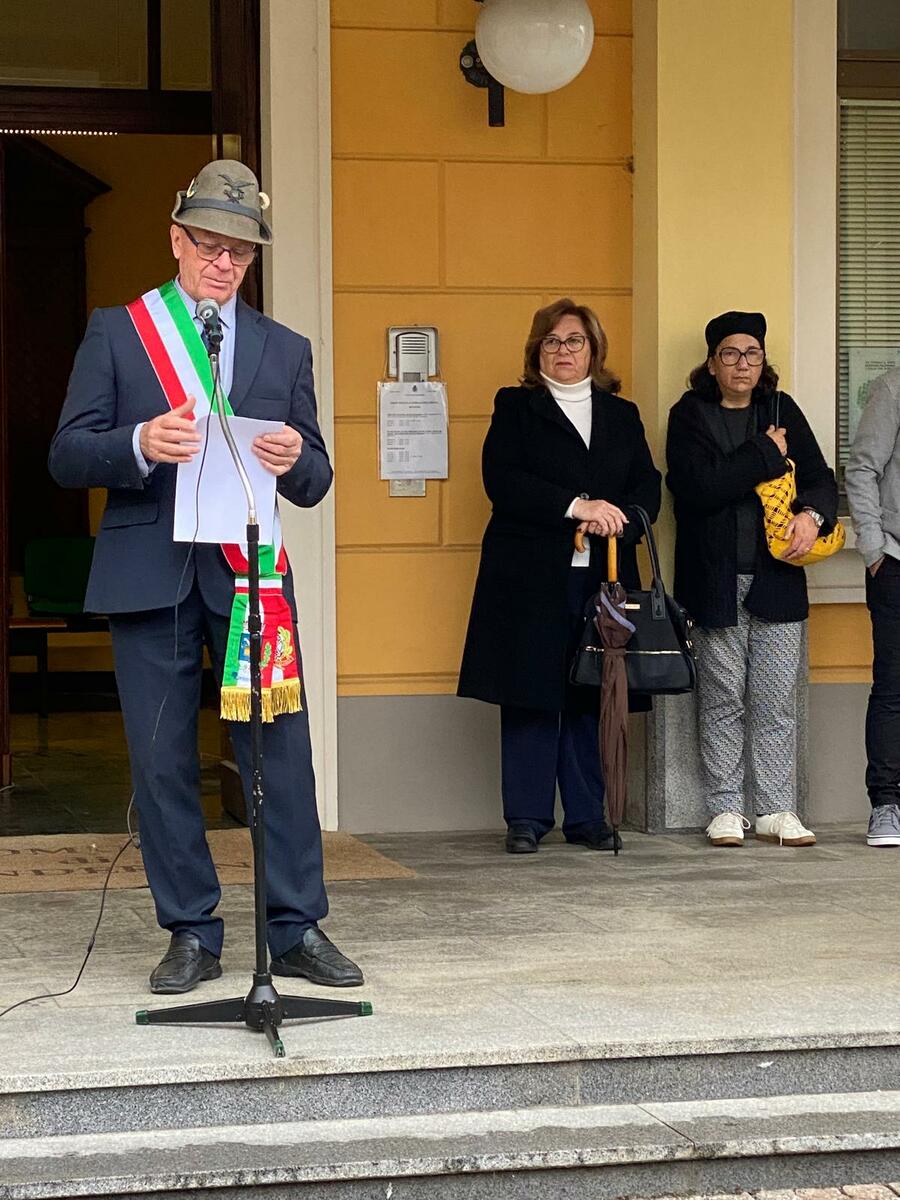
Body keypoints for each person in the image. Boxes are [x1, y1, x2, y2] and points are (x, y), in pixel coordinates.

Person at [49, 160, 363, 993]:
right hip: (149, 574)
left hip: (248, 575)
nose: (224, 264)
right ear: (177, 241)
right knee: (161, 763)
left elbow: (316, 475)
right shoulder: (120, 331)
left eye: (240, 252)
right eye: (210, 246)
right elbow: (67, 453)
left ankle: (296, 928)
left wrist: (300, 459)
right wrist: (138, 444)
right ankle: (191, 929)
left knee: (281, 756)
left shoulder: (283, 346)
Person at [458, 298, 661, 854]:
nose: (563, 351)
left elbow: (647, 485)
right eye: (551, 341)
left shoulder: (623, 415)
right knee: (530, 692)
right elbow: (503, 480)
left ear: (594, 349)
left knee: (592, 690)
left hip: (603, 575)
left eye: (574, 341)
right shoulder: (515, 407)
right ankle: (526, 818)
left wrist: (619, 518)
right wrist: (578, 506)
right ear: (536, 352)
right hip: (528, 575)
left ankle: (588, 816)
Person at [666, 311, 838, 848]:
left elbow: (820, 478)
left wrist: (812, 514)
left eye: (753, 354)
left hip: (777, 579)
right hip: (713, 579)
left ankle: (775, 809)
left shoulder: (782, 409)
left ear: (764, 363)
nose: (743, 364)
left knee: (775, 698)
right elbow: (698, 489)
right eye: (730, 354)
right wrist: (765, 453)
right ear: (712, 363)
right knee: (722, 697)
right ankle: (724, 809)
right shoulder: (689, 415)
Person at [845, 368, 900, 847]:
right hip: (897, 561)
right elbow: (862, 467)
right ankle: (885, 806)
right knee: (893, 687)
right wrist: (874, 547)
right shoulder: (893, 386)